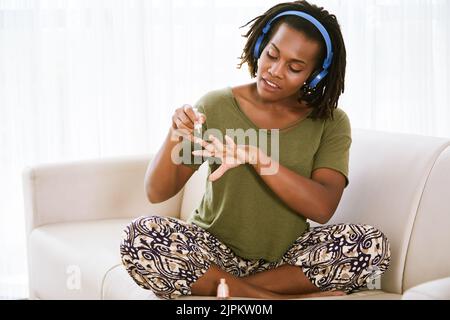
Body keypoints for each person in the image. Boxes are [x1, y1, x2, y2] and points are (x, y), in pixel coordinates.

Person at [120, 0, 391, 300]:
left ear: (315, 75)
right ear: (260, 45)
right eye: (271, 55)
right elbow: (156, 192)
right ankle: (275, 298)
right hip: (212, 252)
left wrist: (260, 160)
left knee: (372, 245)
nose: (274, 71)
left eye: (295, 67)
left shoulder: (330, 122)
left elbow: (323, 207)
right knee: (139, 236)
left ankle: (229, 290)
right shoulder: (216, 106)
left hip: (286, 257)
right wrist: (175, 135)